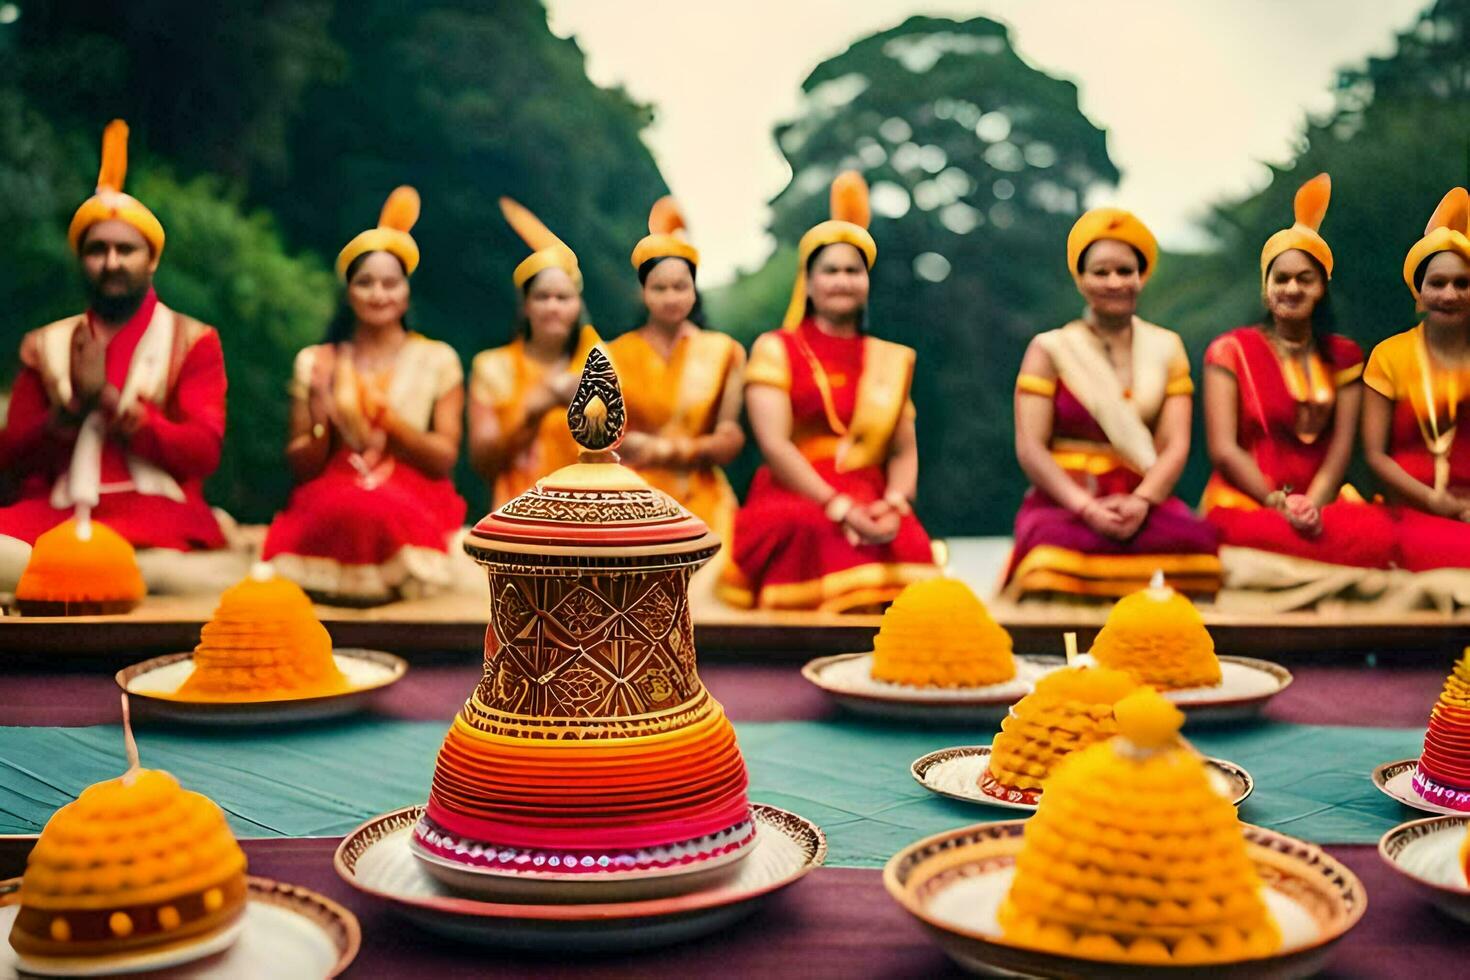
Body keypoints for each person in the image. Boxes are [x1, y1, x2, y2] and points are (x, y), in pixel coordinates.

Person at [0, 120, 227, 550]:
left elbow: (202, 453)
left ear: (151, 260)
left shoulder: (193, 340)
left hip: (156, 514)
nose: (111, 262)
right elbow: (10, 458)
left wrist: (109, 403)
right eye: (97, 250)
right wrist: (70, 412)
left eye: (126, 250)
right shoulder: (44, 344)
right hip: (57, 512)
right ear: (81, 260)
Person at [718, 171, 937, 612]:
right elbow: (775, 445)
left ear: (867, 281)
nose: (842, 281)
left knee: (910, 540)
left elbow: (902, 450)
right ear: (810, 282)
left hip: (873, 496)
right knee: (813, 530)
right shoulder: (777, 348)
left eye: (853, 271)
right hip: (797, 490)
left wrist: (895, 502)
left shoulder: (886, 359)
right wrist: (838, 506)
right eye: (830, 271)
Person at [1003, 207, 1220, 600]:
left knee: (1199, 546)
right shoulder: (1051, 349)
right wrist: (1086, 508)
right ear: (1080, 279)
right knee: (1050, 557)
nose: (1114, 282)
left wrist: (1141, 501)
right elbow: (1030, 447)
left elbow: (1176, 445)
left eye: (1125, 271)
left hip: (1142, 495)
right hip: (1066, 499)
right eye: (1100, 272)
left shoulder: (1166, 347)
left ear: (1142, 276)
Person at [262, 187, 466, 604]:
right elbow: (300, 465)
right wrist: (322, 416)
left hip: (411, 486)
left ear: (406, 291)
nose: (378, 294)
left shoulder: (437, 358)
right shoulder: (317, 361)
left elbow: (444, 457)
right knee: (346, 507)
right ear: (349, 293)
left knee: (380, 509)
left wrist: (388, 422)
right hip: (335, 479)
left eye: (390, 283)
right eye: (365, 283)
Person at [1201, 174, 1395, 571]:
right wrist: (1277, 501)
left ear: (1322, 287)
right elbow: (1224, 449)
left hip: (1322, 502)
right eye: (1281, 278)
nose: (1291, 288)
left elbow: (1341, 449)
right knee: (1251, 537)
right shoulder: (1230, 350)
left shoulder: (1344, 356)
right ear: (1265, 287)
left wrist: (1313, 505)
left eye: (1304, 279)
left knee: (1380, 539)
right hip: (1250, 500)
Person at [607, 197, 745, 547]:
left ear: (694, 290)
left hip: (701, 496)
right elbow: (598, 435)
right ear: (642, 292)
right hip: (627, 497)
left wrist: (663, 451)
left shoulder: (724, 352)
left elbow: (729, 440)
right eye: (659, 288)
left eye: (680, 287)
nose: (670, 297)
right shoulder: (614, 353)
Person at [1362, 187, 1470, 571]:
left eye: (1462, 284)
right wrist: (1432, 500)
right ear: (1419, 292)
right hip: (1408, 511)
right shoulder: (1388, 355)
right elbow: (1374, 454)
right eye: (1437, 284)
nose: (1450, 294)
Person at [468, 198, 600, 507]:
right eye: (542, 297)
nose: (553, 307)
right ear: (526, 307)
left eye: (563, 297)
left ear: (578, 305)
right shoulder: (492, 366)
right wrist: (532, 413)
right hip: (517, 511)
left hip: (591, 510)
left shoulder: (600, 366)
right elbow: (484, 463)